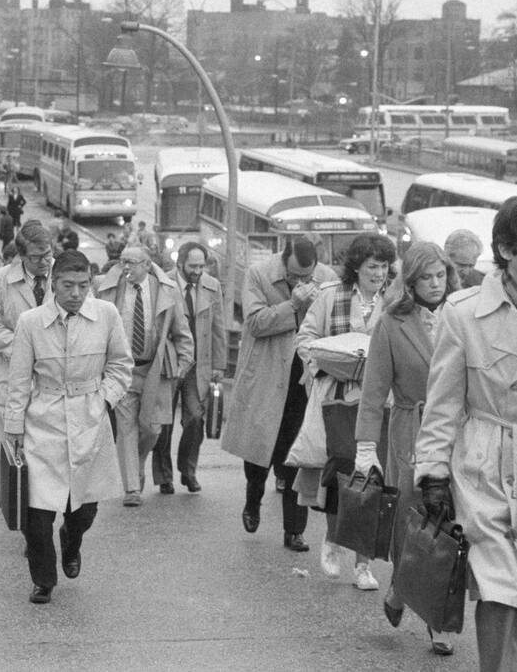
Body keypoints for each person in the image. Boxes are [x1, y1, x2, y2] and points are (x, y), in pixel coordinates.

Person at [413, 197, 517, 672]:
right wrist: (433, 473)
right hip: (488, 465)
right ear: (506, 251)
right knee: (501, 588)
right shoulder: (463, 313)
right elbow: (443, 401)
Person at [3, 249, 134, 605]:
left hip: (90, 417)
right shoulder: (31, 322)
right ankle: (44, 579)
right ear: (54, 284)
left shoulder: (106, 315)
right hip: (42, 420)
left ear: (91, 284)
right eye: (67, 285)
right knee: (37, 510)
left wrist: (104, 399)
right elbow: (18, 379)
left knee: (84, 507)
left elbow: (122, 365)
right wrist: (13, 428)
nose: (76, 293)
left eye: (82, 285)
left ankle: (72, 541)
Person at [355, 241, 460, 655]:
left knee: (451, 523)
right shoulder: (391, 323)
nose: (435, 285)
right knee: (415, 522)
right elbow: (373, 389)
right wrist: (366, 447)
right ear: (411, 282)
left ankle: (437, 621)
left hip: (458, 432)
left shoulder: (462, 314)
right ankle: (401, 584)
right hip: (410, 429)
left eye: (441, 276)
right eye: (426, 278)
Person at [294, 233, 397, 589]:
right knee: (342, 467)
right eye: (372, 266)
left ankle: (364, 564)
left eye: (384, 266)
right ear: (356, 266)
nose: (379, 273)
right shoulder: (329, 295)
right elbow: (305, 340)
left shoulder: (397, 300)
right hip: (337, 397)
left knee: (373, 478)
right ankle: (333, 538)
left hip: (383, 402)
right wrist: (323, 364)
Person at [221, 235, 337, 551]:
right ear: (284, 260)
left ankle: (294, 530)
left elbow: (332, 326)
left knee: (298, 454)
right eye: (295, 275)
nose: (301, 281)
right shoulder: (259, 274)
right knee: (259, 452)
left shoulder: (327, 279)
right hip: (267, 374)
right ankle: (253, 495)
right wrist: (294, 304)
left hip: (305, 379)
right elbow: (255, 323)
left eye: (306, 276)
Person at [93, 244, 194, 506]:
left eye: (132, 262)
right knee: (126, 427)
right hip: (122, 369)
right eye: (123, 261)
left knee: (152, 428)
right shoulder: (110, 289)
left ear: (147, 265)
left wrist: (183, 363)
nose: (126, 267)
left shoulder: (166, 290)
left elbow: (181, 331)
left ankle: (135, 465)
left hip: (155, 369)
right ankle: (132, 489)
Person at [151, 242, 226, 495]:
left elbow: (218, 328)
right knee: (164, 421)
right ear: (180, 263)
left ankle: (188, 470)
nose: (198, 271)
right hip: (169, 363)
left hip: (198, 364)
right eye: (193, 266)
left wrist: (219, 365)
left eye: (201, 266)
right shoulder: (163, 283)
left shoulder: (212, 286)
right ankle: (164, 476)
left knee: (195, 417)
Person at [0, 221, 55, 439]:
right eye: (36, 257)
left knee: (50, 458)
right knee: (14, 458)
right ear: (21, 256)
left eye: (48, 254)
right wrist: (26, 347)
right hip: (10, 377)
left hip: (54, 379)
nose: (45, 262)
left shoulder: (65, 276)